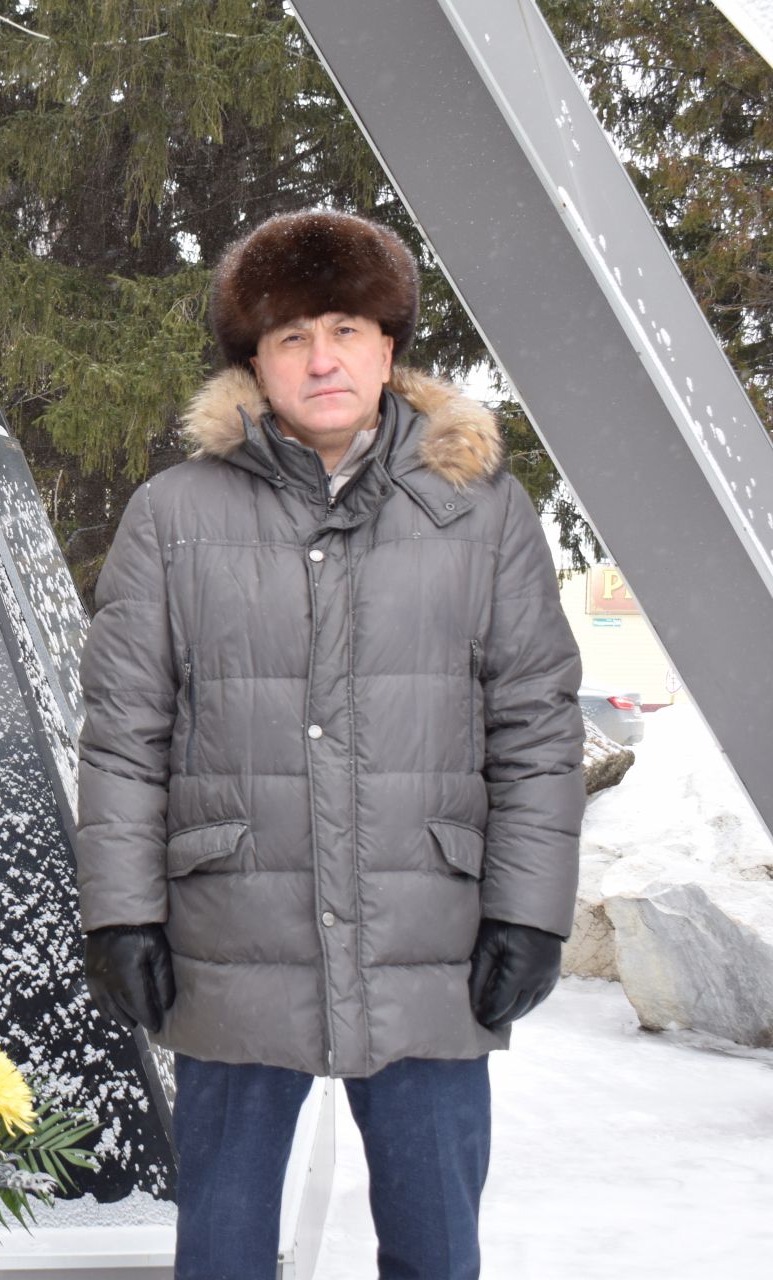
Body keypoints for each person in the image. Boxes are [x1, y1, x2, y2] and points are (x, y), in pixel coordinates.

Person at [76, 211, 583, 1279]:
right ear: (254, 362)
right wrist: (123, 909)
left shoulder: (481, 513)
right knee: (223, 1249)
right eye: (291, 335)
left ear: (388, 346)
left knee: (437, 1246)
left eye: (345, 328)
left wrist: (529, 911)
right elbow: (126, 734)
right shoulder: (173, 516)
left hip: (427, 940)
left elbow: (536, 723)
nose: (322, 357)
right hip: (233, 940)